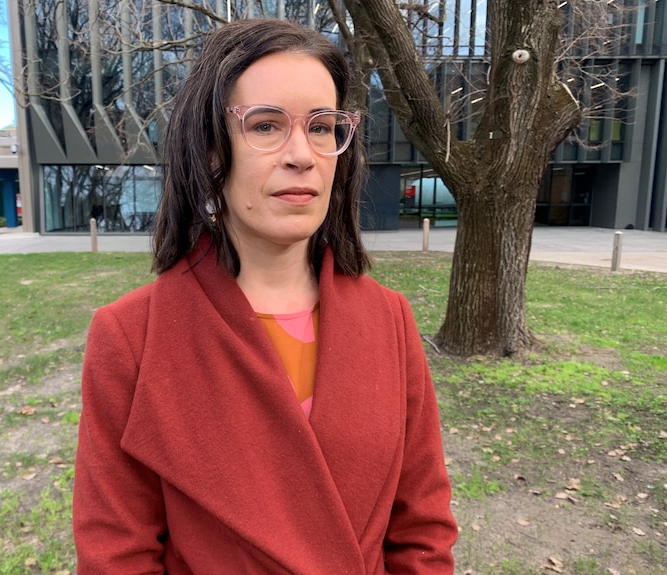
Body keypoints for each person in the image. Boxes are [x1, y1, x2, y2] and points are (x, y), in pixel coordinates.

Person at [73, 17, 457, 574]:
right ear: (210, 149)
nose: (302, 154)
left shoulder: (389, 320)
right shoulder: (131, 337)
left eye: (322, 127)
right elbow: (117, 555)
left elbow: (422, 529)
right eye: (267, 124)